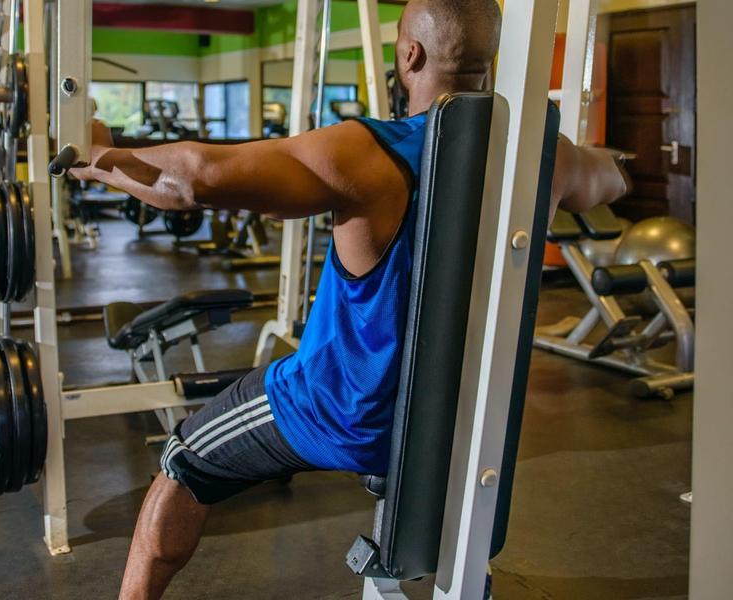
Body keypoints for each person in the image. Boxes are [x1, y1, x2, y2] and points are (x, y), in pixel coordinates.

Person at [70, 0, 630, 597]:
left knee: (183, 460)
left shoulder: (368, 155)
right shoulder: (544, 154)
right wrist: (606, 163)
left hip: (340, 413)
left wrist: (92, 159)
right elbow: (611, 180)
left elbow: (192, 178)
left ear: (409, 54)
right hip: (461, 419)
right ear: (487, 59)